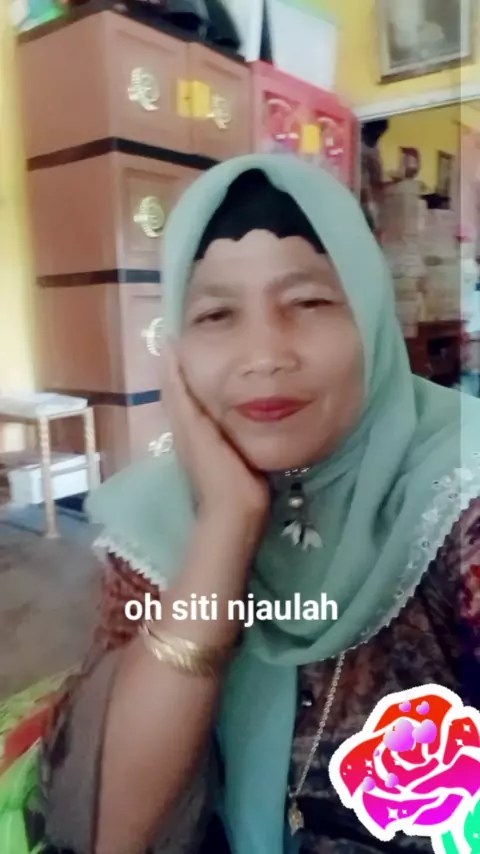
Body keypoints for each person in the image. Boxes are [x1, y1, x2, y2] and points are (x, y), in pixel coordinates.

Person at [13, 155, 480, 853]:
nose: (264, 354)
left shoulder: (457, 488)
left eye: (310, 303)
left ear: (373, 318)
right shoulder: (158, 520)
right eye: (215, 314)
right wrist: (227, 523)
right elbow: (117, 831)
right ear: (175, 350)